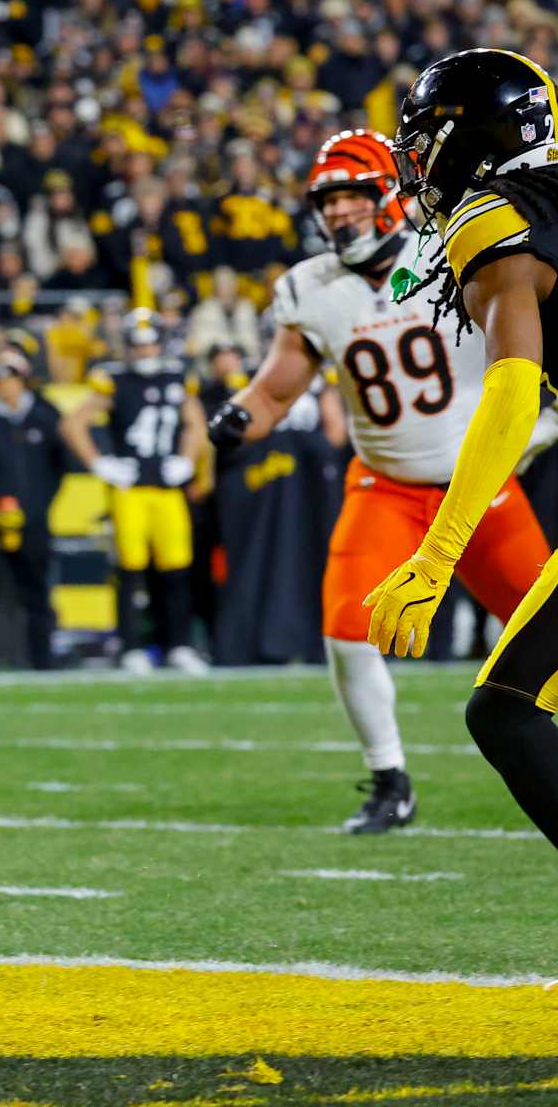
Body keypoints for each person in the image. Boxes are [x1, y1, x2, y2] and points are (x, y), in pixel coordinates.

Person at [209, 128, 548, 833]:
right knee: (346, 625)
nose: (339, 214)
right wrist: (239, 414)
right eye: (328, 201)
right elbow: (275, 391)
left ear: (389, 195)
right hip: (385, 483)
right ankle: (390, 777)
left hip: (475, 484)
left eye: (354, 196)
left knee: (544, 637)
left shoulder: (452, 246)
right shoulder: (310, 287)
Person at [364, 48, 558, 849]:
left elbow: (513, 387)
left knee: (507, 710)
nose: (417, 170)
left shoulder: (495, 214)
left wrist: (438, 555)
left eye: (424, 145)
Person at [61, 309, 211, 674]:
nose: (145, 352)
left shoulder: (178, 378)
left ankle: (177, 645)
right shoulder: (114, 380)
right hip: (130, 488)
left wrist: (188, 461)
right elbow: (73, 423)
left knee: (176, 570)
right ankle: (131, 648)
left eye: (150, 344)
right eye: (138, 345)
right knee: (130, 571)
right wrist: (100, 463)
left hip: (166, 486)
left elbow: (196, 423)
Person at [0, 348, 67, 669]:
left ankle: (41, 659)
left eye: (12, 380)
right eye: (1, 381)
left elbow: (59, 467)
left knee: (36, 591)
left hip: (31, 522)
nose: (7, 387)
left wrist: (39, 506)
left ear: (22, 382)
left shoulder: (43, 418)